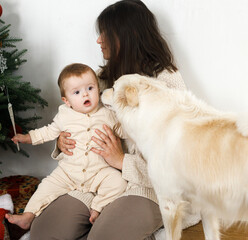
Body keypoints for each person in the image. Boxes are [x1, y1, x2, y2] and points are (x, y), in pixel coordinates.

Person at [29, 1, 188, 239]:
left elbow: (176, 163)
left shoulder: (166, 83)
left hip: (149, 189)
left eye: (104, 33)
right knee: (42, 234)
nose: (98, 40)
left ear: (126, 35)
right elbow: (81, 121)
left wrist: (122, 161)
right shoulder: (101, 79)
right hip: (95, 181)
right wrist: (62, 143)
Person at [5, 63, 128, 230]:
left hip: (99, 171)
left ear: (98, 89)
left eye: (90, 88)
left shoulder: (108, 113)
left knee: (118, 182)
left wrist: (133, 126)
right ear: (67, 101)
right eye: (77, 92)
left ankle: (97, 208)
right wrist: (27, 137)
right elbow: (48, 132)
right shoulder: (64, 115)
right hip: (68, 172)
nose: (85, 94)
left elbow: (123, 130)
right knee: (46, 186)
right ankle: (28, 215)